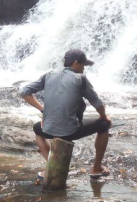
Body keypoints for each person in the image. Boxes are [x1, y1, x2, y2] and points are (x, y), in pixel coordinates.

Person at [19, 49, 112, 179]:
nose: (84, 68)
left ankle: (51, 164)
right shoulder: (81, 79)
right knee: (104, 125)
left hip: (48, 129)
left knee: (37, 130)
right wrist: (103, 117)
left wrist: (42, 110)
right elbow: (97, 103)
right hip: (71, 131)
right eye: (83, 65)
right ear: (76, 63)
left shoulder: (48, 76)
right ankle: (97, 168)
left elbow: (24, 91)